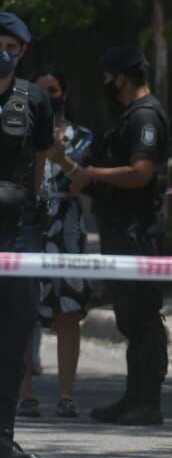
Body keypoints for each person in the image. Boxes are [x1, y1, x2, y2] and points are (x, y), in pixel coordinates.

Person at [70, 46, 170, 426]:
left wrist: (94, 175)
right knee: (130, 316)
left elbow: (141, 172)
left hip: (137, 233)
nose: (108, 87)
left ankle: (148, 401)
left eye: (110, 80)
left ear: (122, 78)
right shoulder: (130, 115)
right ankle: (134, 397)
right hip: (122, 229)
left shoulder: (145, 116)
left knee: (143, 316)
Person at [17, 67, 93, 419]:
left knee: (67, 313)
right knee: (21, 312)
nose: (49, 95)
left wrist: (58, 155)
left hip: (67, 233)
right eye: (42, 90)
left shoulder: (82, 137)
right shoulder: (16, 134)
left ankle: (66, 394)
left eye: (55, 89)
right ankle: (23, 393)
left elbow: (81, 181)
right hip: (28, 228)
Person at [0, 11, 53, 458]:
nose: (2, 52)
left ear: (23, 50)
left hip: (17, 232)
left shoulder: (34, 99)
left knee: (14, 336)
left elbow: (38, 161)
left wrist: (34, 210)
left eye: (9, 45)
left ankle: (3, 438)